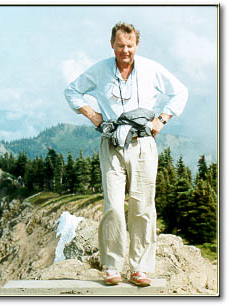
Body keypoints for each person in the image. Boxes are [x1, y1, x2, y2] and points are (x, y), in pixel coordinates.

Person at [64, 22, 188, 286]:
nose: (125, 51)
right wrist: (92, 114)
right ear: (112, 45)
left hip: (143, 143)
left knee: (143, 208)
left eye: (130, 46)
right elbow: (71, 91)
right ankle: (111, 266)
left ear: (136, 45)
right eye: (120, 45)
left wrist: (162, 119)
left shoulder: (152, 69)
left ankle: (140, 268)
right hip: (112, 143)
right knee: (113, 208)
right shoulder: (99, 71)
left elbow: (180, 92)